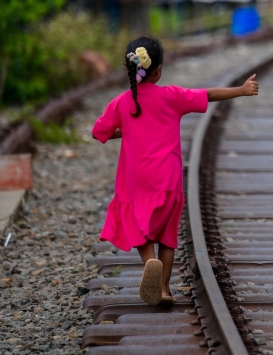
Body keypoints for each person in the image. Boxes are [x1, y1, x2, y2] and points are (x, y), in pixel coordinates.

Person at [93, 36, 259, 306]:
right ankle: (164, 290)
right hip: (168, 179)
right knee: (168, 236)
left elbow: (98, 132)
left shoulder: (122, 103)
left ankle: (150, 262)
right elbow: (208, 94)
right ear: (158, 70)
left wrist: (128, 130)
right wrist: (241, 90)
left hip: (136, 180)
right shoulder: (172, 96)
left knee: (139, 228)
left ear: (129, 69)